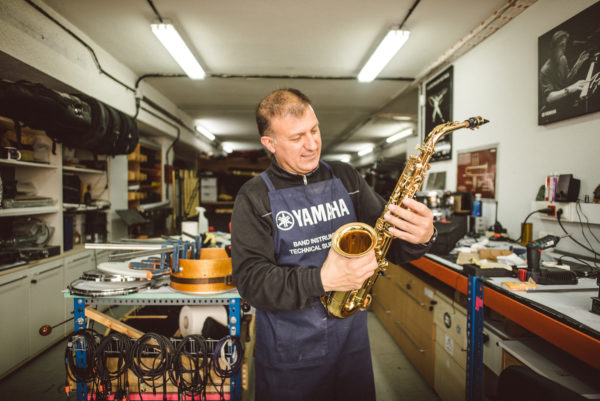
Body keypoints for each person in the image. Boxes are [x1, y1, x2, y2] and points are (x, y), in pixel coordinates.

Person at [231, 88, 436, 401]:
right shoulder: (253, 196)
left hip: (350, 344)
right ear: (270, 143)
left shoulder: (345, 177)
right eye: (297, 137)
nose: (312, 144)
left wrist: (420, 236)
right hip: (289, 352)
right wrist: (322, 279)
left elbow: (388, 244)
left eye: (314, 130)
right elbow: (251, 281)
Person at [539, 30, 590, 110]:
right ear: (554, 47)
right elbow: (549, 98)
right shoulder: (544, 70)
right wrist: (571, 89)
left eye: (565, 45)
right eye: (561, 45)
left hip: (563, 101)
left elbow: (566, 80)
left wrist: (577, 64)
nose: (564, 48)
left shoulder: (563, 58)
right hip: (553, 107)